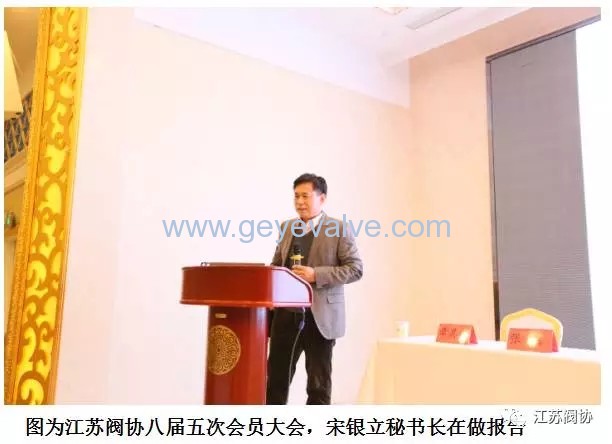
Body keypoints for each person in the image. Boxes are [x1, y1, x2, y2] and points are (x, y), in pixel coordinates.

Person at [266, 173, 363, 405]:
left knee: (318, 386)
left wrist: (316, 274)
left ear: (322, 198)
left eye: (305, 196)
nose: (300, 202)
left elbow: (355, 269)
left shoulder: (339, 229)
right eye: (296, 196)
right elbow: (276, 266)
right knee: (275, 382)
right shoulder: (287, 227)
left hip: (320, 319)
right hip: (285, 317)